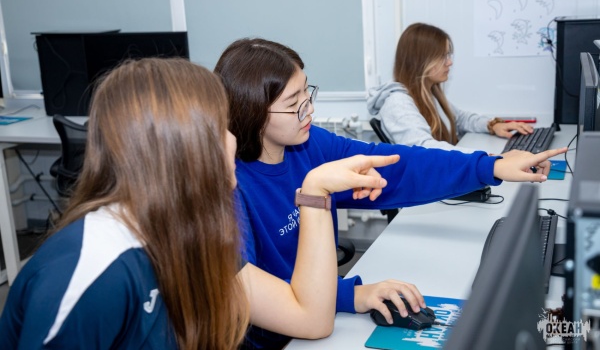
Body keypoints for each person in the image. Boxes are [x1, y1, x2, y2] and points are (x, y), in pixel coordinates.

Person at [0, 58, 401, 349]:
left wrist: (315, 193)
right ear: (178, 148)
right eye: (220, 127)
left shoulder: (188, 230)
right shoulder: (93, 270)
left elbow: (310, 318)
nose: (234, 140)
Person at [214, 37, 567, 349]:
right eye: (295, 102)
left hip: (323, 311)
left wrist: (489, 166)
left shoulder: (308, 145)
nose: (310, 108)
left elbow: (398, 166)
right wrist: (351, 294)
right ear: (253, 111)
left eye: (308, 92)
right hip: (276, 338)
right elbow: (263, 293)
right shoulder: (229, 188)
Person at [367, 22, 534, 153]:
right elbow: (425, 148)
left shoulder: (429, 92)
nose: (449, 62)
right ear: (420, 60)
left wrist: (492, 125)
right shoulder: (398, 103)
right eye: (442, 56)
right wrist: (485, 159)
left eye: (448, 55)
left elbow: (460, 119)